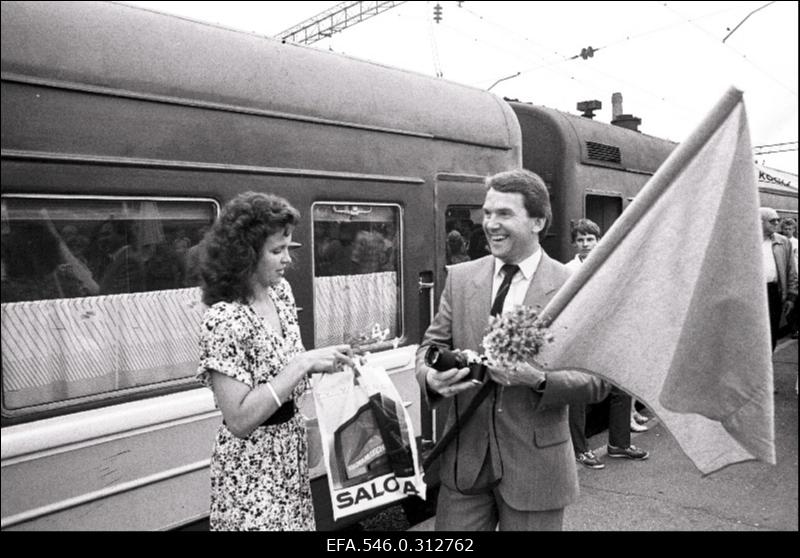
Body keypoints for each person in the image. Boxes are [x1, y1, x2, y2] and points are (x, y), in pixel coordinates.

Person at [416, 169, 609, 531]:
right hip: (464, 467)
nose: (490, 224)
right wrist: (430, 376)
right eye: (487, 213)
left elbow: (598, 382)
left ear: (538, 221)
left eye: (504, 214)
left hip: (536, 470)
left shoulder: (571, 288)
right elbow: (431, 346)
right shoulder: (460, 278)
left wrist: (537, 380)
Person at [195, 191, 354, 531]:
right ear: (246, 254)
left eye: (288, 249)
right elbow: (238, 419)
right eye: (277, 251)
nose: (288, 260)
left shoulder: (281, 294)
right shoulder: (224, 319)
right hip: (251, 468)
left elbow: (285, 367)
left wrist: (326, 364)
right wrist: (301, 365)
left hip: (289, 453)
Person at [563, 219, 649, 470]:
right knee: (578, 393)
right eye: (580, 240)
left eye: (590, 239)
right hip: (579, 337)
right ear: (573, 243)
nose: (585, 244)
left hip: (607, 334)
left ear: (598, 240)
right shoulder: (566, 270)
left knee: (620, 387)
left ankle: (619, 444)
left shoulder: (612, 266)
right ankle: (580, 450)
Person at [760, 208, 797, 352]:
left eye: (778, 219)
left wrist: (791, 297)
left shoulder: (783, 242)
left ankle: (767, 361)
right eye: (772, 220)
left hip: (773, 292)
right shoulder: (747, 242)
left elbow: (791, 271)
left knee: (772, 331)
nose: (777, 223)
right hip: (753, 292)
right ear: (759, 222)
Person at [780, 217, 798, 340]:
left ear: (794, 229)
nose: (788, 231)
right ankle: (794, 329)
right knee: (790, 303)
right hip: (787, 278)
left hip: (797, 275)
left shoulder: (796, 243)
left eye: (790, 228)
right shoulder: (780, 243)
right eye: (785, 229)